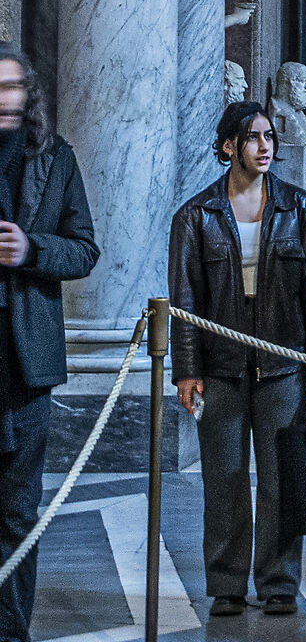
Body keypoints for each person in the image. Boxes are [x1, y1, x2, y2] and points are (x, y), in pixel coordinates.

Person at [170, 101, 306, 619]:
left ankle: (278, 582)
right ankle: (226, 584)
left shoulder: (302, 209)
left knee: (281, 479)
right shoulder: (196, 215)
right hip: (219, 364)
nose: (265, 146)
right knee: (224, 479)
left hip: (282, 363)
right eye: (253, 137)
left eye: (269, 136)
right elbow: (184, 301)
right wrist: (186, 370)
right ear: (228, 146)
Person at [0, 44, 98, 642]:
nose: (3, 98)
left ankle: (11, 632)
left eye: (12, 86)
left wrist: (30, 249)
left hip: (25, 363)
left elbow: (83, 249)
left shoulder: (54, 157)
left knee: (17, 511)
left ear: (28, 93)